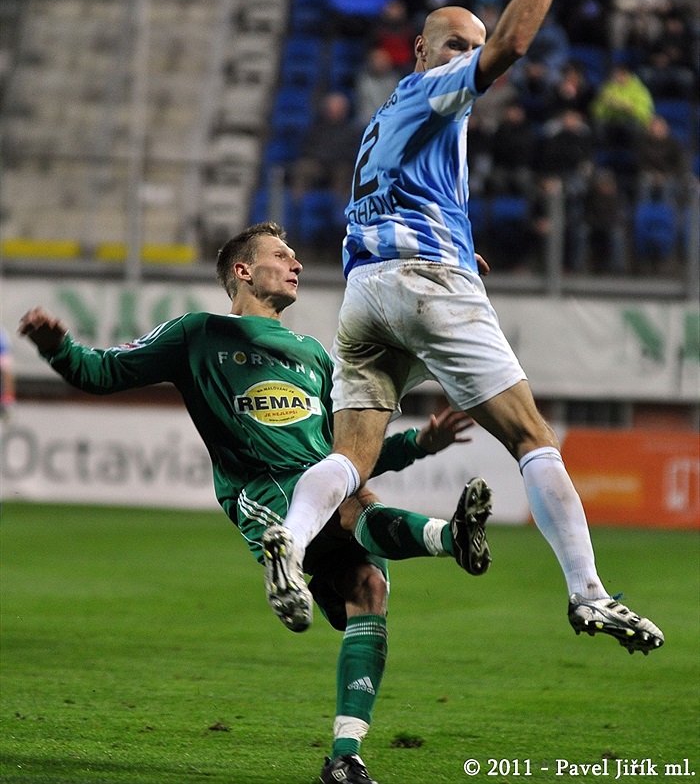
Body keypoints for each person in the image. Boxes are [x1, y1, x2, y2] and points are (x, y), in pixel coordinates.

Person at [262, 0, 665, 658]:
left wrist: (453, 244)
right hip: (424, 283)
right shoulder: (433, 91)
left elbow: (406, 197)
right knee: (532, 437)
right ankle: (588, 592)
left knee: (354, 453)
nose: (467, 56)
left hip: (367, 294)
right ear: (420, 51)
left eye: (467, 45)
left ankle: (287, 538)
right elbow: (510, 47)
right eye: (454, 43)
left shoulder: (381, 122)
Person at [18, 221, 494, 784]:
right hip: (266, 491)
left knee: (369, 588)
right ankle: (445, 539)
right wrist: (57, 347)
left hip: (327, 486)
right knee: (353, 504)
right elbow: (104, 373)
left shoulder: (315, 357)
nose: (296, 264)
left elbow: (348, 452)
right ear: (244, 271)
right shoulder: (198, 334)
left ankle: (344, 757)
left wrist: (418, 443)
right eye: (281, 254)